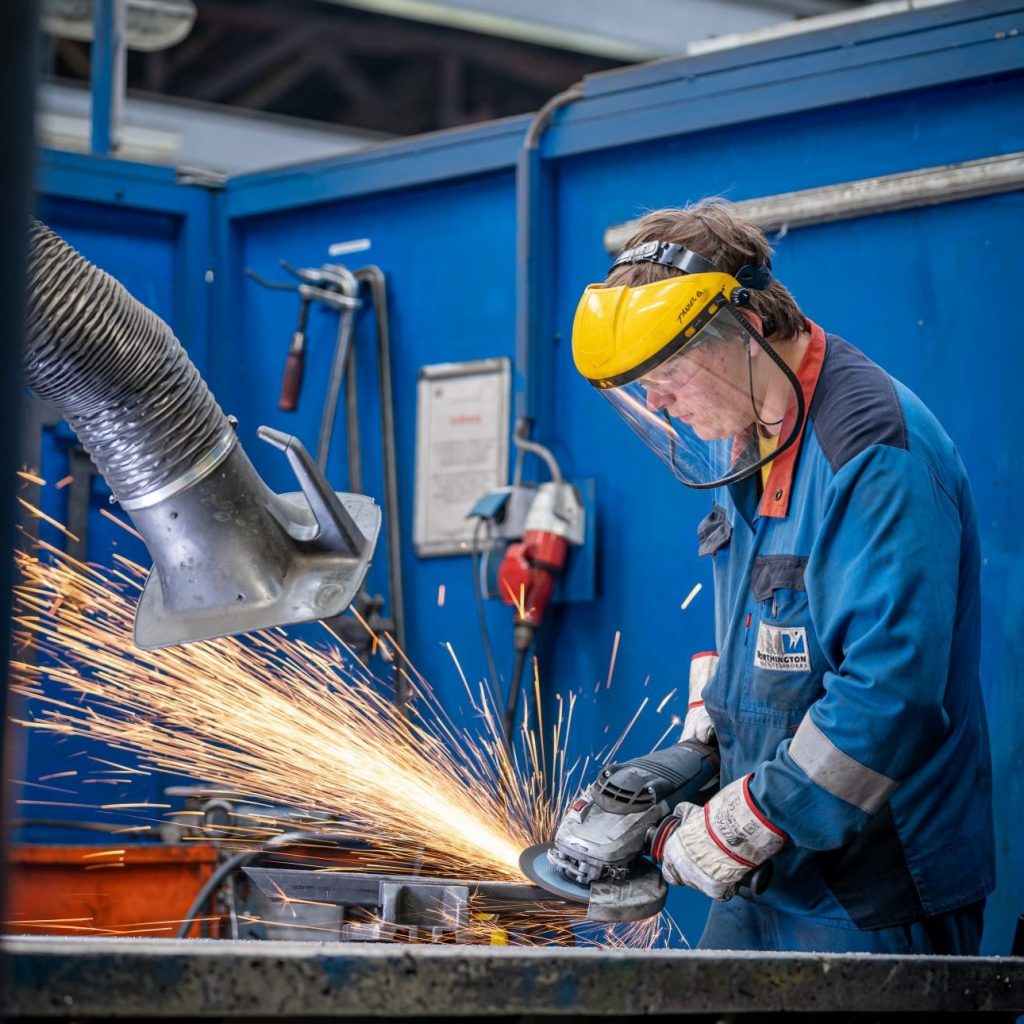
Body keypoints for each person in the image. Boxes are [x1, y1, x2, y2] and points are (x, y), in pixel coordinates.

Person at [569, 199, 994, 954]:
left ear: (751, 331)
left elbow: (889, 697)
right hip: (773, 869)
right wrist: (706, 736)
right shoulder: (751, 427)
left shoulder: (871, 450)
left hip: (871, 887)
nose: (656, 400)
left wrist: (738, 828)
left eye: (667, 372)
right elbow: (761, 619)